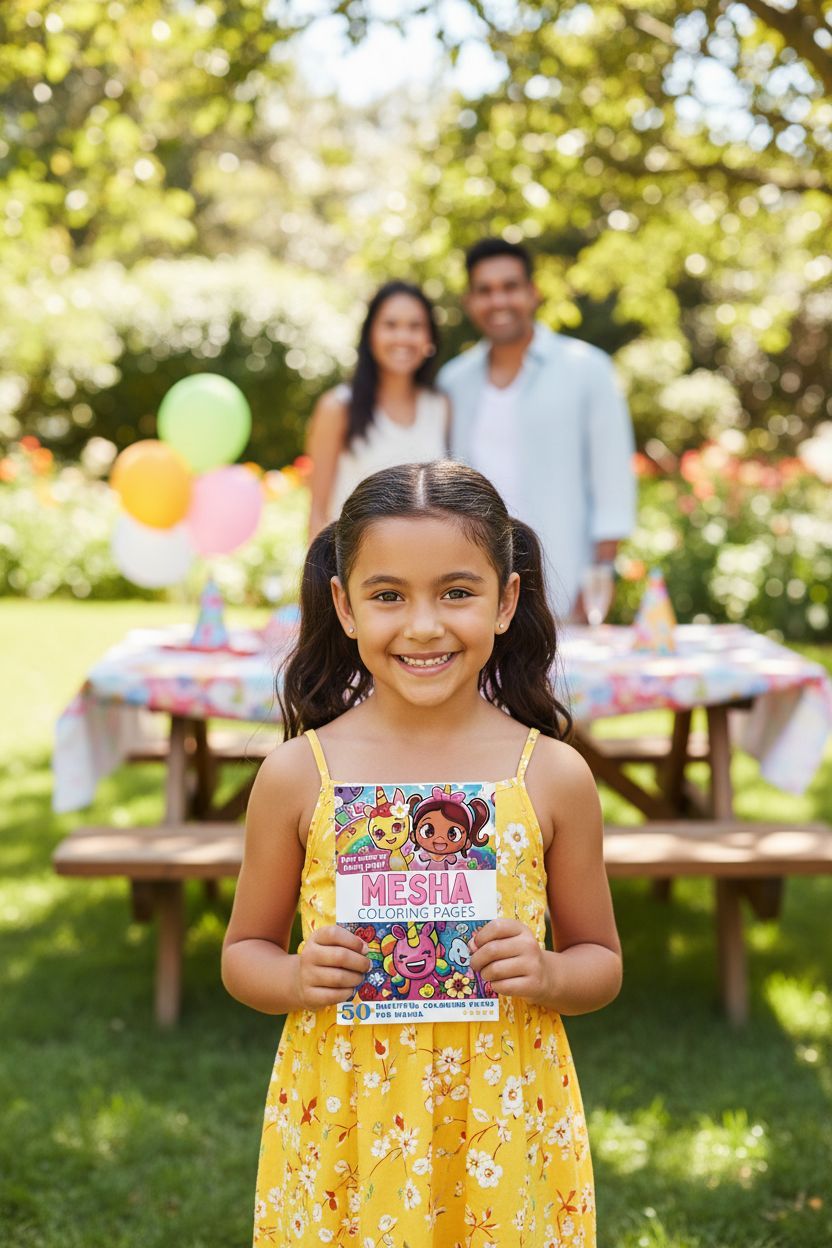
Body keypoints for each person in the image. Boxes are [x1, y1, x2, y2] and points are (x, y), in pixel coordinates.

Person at [222, 460, 622, 1247]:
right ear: (344, 606)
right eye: (388, 596)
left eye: (457, 592)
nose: (424, 625)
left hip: (502, 1122)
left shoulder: (551, 775)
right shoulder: (300, 774)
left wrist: (547, 972)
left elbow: (600, 961)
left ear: (506, 600)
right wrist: (295, 976)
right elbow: (243, 953)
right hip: (346, 1118)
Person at [438, 237, 636, 618]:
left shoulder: (587, 369)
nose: (498, 300)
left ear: (533, 293)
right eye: (485, 290)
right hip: (473, 594)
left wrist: (598, 580)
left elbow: (613, 483)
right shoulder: (453, 381)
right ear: (469, 301)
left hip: (564, 587)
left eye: (510, 287)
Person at [306, 280, 449, 540]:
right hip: (355, 561)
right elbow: (317, 513)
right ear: (370, 335)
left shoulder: (440, 406)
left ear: (430, 337)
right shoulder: (338, 407)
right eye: (390, 325)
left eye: (415, 326)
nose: (403, 337)